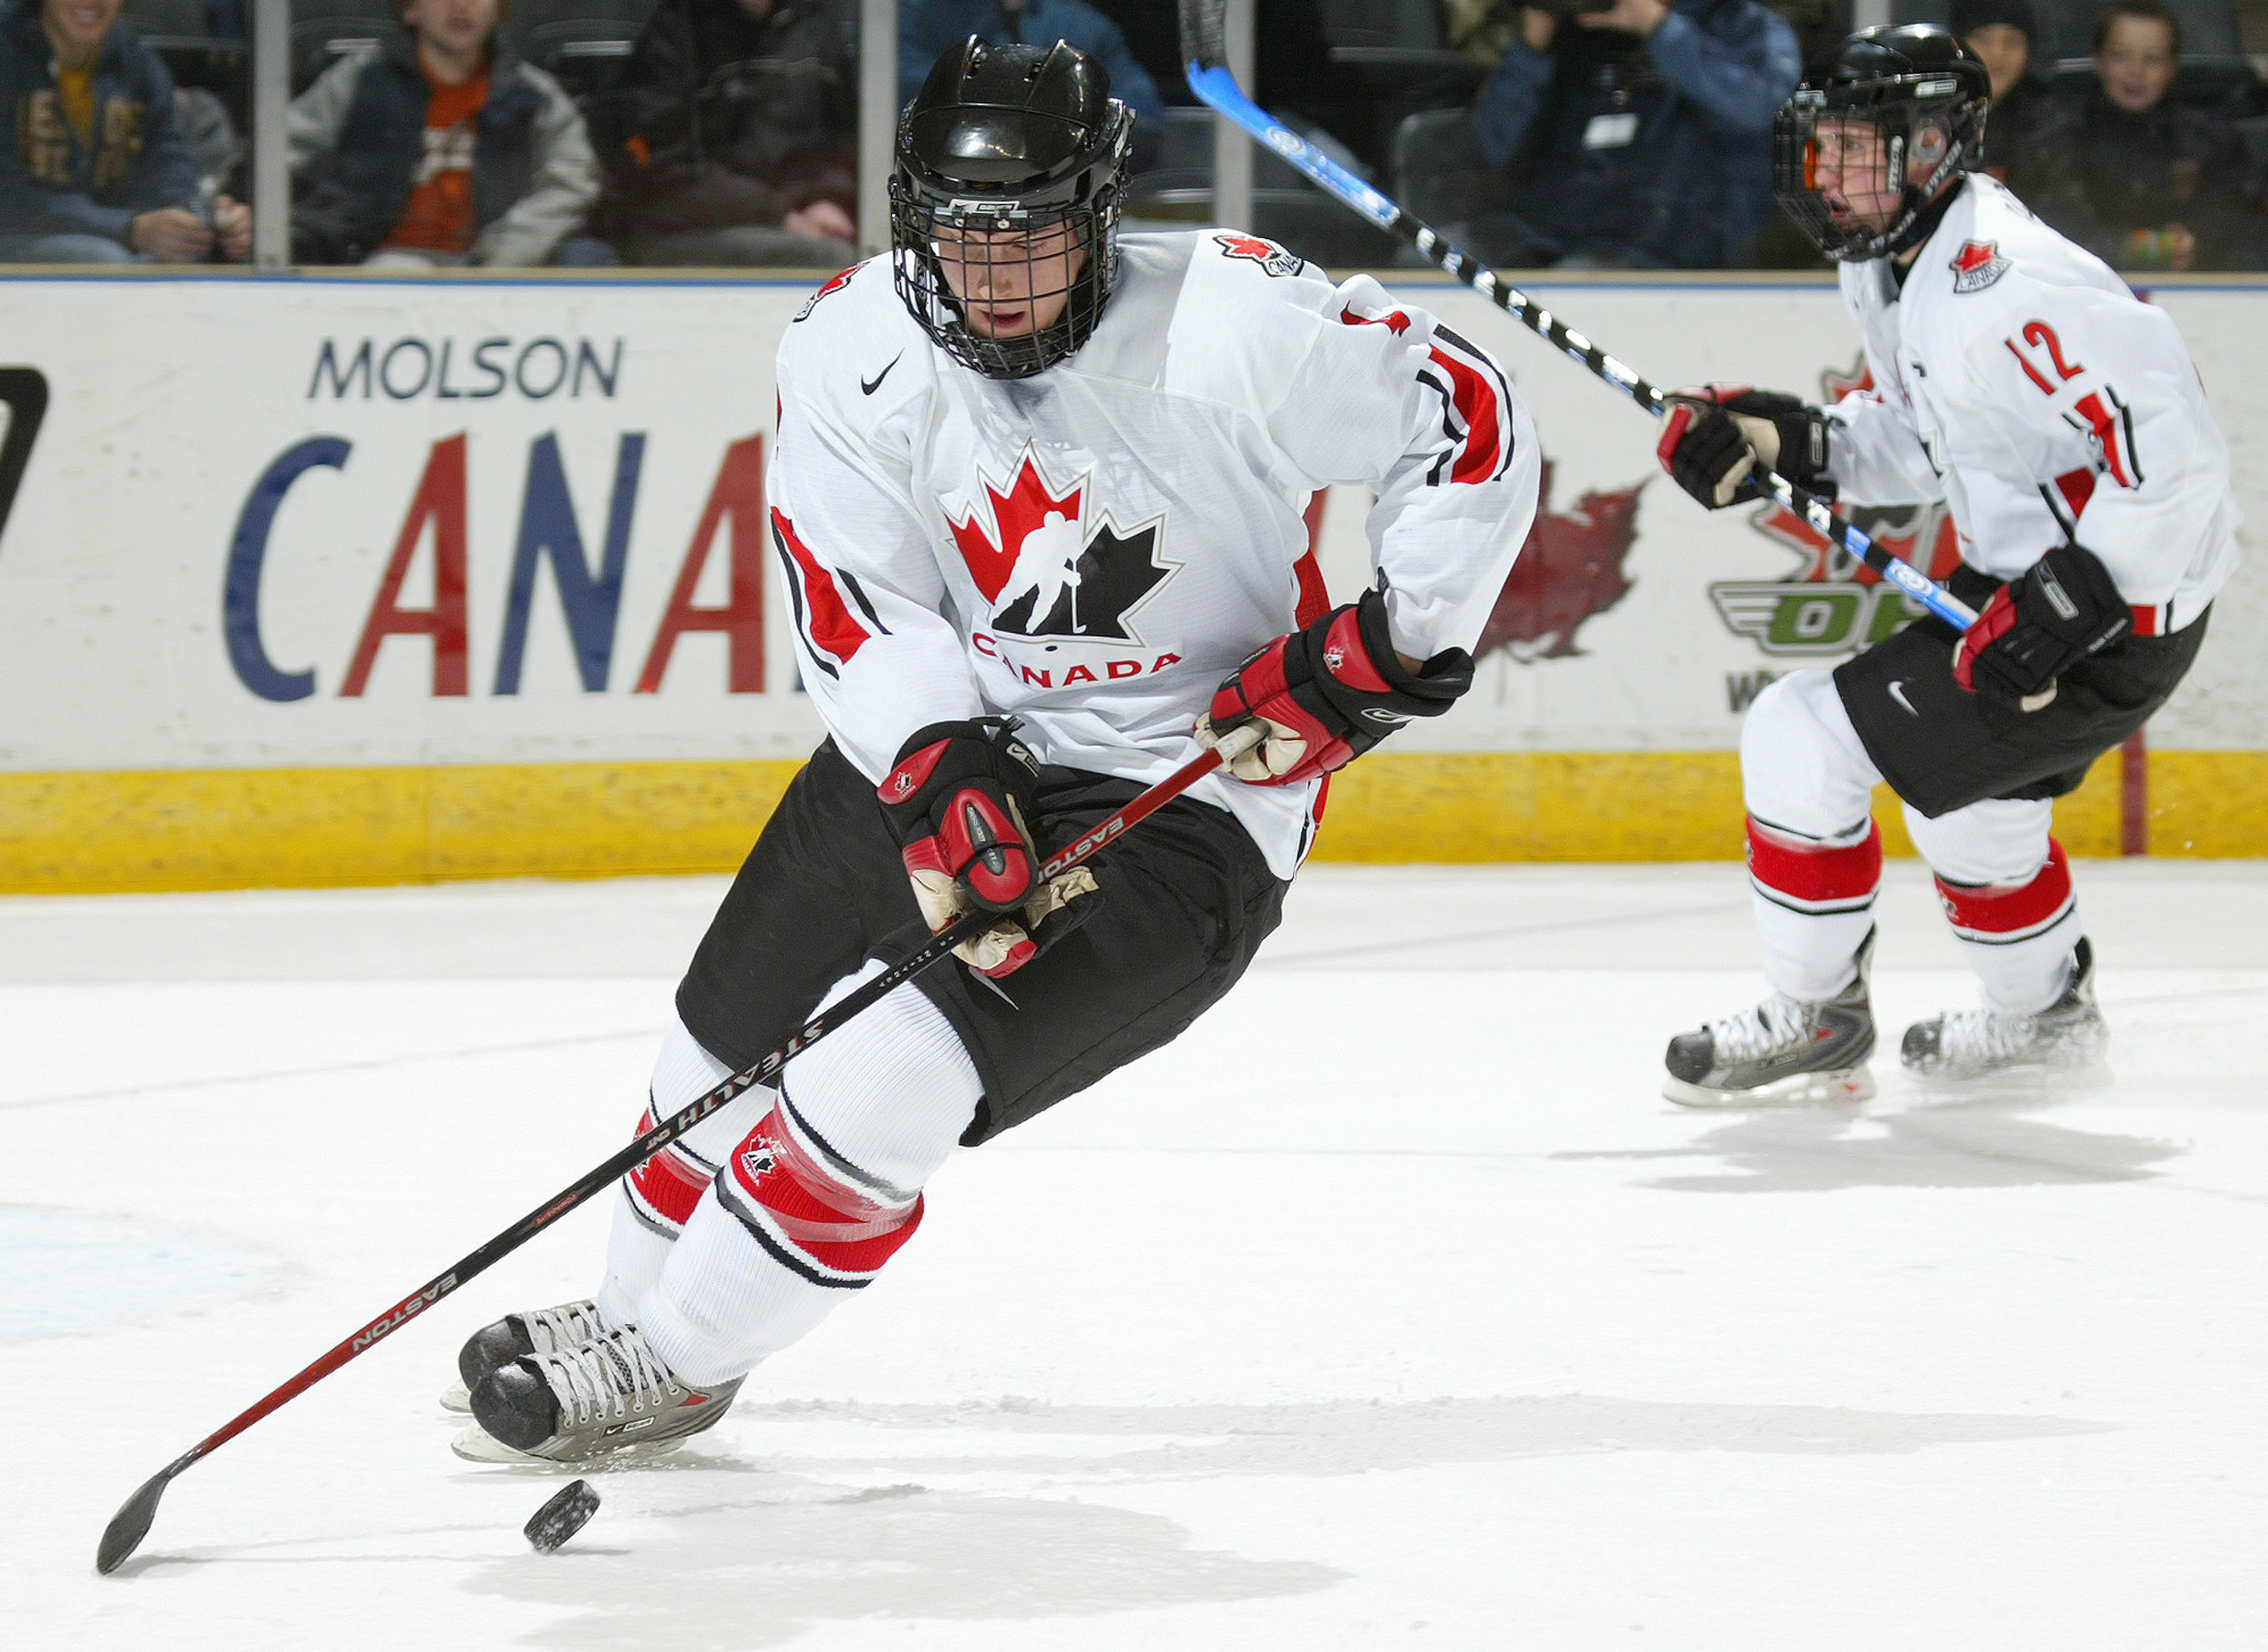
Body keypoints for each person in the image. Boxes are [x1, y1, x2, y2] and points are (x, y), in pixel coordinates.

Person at [439, 37, 1538, 1463]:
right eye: (965, 234)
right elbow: (854, 589)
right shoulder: (851, 341)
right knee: (716, 1042)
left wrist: (1387, 647)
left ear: (1101, 210)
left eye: (1036, 232)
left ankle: (668, 1359)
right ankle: (631, 1315)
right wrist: (933, 760)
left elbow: (1471, 419)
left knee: (886, 1063)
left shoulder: (1236, 321)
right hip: (951, 740)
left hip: (1182, 797)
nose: (997, 272)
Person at [1651, 25, 2236, 1104]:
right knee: (1971, 807)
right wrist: (1792, 446)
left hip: (2118, 610)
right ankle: (2046, 1018)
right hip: (2042, 590)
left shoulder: (2012, 282)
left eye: (1853, 148)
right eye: (1819, 147)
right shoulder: (1892, 266)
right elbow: (1929, 438)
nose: (1826, 172)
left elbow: (2179, 457)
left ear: (1930, 148)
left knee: (1799, 732)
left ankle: (1817, 1012)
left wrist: (2073, 599)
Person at [1463, 0, 1802, 270]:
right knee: (1432, 261)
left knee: (1573, 285)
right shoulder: (1577, 28)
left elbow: (1761, 110)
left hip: (1673, 247)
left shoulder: (1746, 26)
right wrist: (1533, 49)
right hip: (1542, 231)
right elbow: (1494, 143)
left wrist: (1659, 28)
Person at [288, 0, 602, 268]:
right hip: (383, 265)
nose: (462, 5)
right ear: (411, 8)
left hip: (497, 269)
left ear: (499, 10)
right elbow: (280, 152)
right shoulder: (363, 79)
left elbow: (572, 181)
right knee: (396, 272)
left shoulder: (532, 93)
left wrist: (504, 256)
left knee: (590, 258)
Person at [593, 0, 859, 267]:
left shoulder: (816, 24)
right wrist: (780, 214)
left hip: (799, 218)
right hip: (691, 229)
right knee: (833, 261)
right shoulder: (677, 33)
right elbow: (659, 168)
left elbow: (848, 140)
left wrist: (827, 198)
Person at [0, 0, 251, 263]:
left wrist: (209, 215)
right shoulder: (7, 52)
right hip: (16, 232)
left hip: (101, 234)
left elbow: (167, 163)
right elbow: (8, 197)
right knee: (108, 262)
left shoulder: (137, 64)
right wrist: (126, 227)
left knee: (190, 254)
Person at [2025, 0, 2262, 272]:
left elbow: (2241, 222)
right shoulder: (2060, 137)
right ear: (2098, 59)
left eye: (2153, 59)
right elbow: (2046, 225)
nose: (2136, 71)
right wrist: (2121, 247)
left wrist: (2200, 243)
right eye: (2121, 56)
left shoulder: (2210, 140)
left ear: (2172, 67)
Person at [903, 0, 1167, 166]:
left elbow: (1145, 119)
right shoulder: (915, 15)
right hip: (942, 196)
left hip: (1056, 211)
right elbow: (901, 98)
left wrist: (1062, 112)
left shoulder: (1079, 25)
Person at [1953, 0, 2057, 190]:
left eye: (2012, 42)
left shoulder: (2052, 127)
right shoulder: (1938, 116)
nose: (1997, 53)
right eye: (1983, 40)